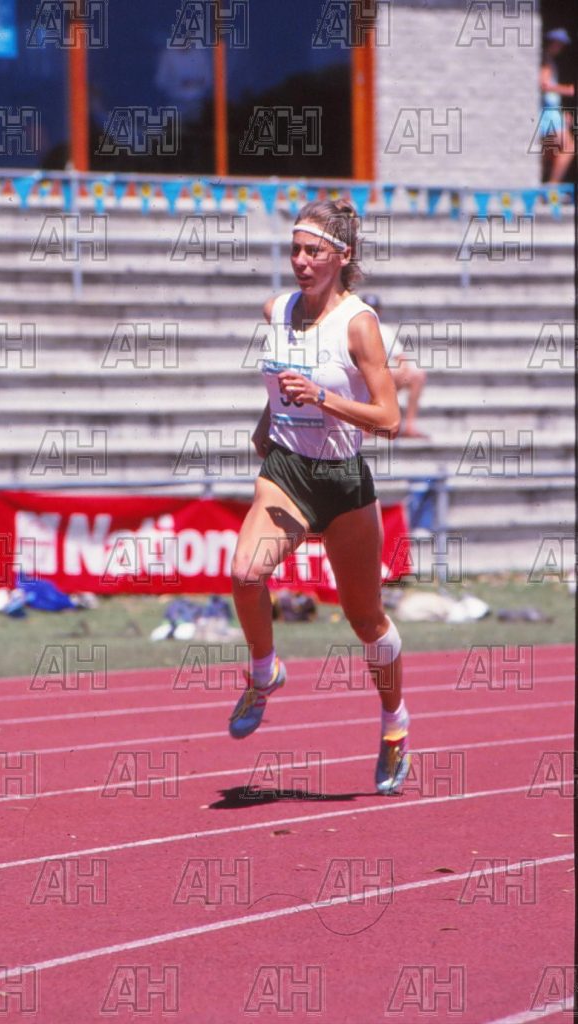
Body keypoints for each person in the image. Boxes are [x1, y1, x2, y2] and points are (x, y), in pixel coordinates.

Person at [228, 199, 411, 795]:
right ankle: (264, 672)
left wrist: (321, 398)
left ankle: (394, 722)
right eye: (296, 250)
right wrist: (269, 419)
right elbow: (282, 379)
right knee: (245, 573)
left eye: (315, 252)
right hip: (287, 470)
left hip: (343, 480)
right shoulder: (276, 309)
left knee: (366, 620)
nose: (302, 262)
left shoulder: (359, 323)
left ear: (342, 256)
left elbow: (389, 418)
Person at [362, 294, 428, 440]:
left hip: (380, 377)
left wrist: (397, 371)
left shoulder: (384, 331)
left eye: (374, 309)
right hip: (361, 377)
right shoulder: (354, 329)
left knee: (417, 375)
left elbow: (401, 359)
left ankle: (409, 425)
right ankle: (365, 425)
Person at [539, 28, 575, 185]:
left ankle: (546, 186)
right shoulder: (545, 61)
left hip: (552, 112)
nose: (560, 48)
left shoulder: (548, 60)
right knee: (568, 147)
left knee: (549, 153)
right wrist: (568, 90)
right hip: (548, 114)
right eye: (558, 44)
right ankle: (552, 187)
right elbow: (544, 85)